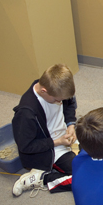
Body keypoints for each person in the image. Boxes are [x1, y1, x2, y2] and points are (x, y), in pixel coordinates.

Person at [11, 64, 77, 197]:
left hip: (63, 137)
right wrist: (57, 142)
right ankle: (42, 178)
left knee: (99, 149)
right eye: (57, 100)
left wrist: (70, 125)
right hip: (50, 149)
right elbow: (26, 146)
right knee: (84, 177)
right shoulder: (26, 113)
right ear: (44, 91)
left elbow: (69, 104)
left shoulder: (56, 89)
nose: (60, 102)